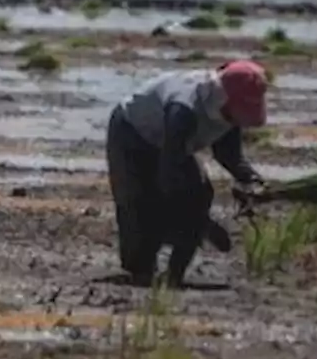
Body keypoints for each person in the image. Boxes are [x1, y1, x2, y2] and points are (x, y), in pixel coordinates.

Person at [106, 60, 268, 288]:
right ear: (223, 98)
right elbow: (169, 172)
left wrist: (251, 180)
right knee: (139, 204)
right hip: (132, 133)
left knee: (200, 195)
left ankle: (175, 275)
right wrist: (201, 221)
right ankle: (142, 268)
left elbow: (229, 156)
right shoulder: (185, 108)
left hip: (173, 145)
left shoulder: (228, 113)